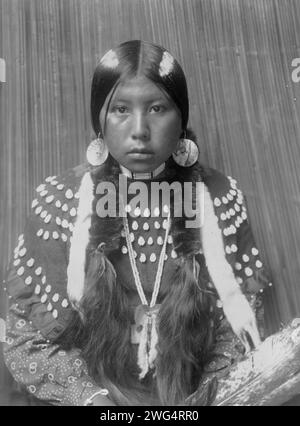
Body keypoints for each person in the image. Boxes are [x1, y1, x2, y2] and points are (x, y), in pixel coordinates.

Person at [2, 40, 270, 406]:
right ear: (100, 120)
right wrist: (93, 401)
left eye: (158, 108)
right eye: (121, 109)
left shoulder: (218, 199)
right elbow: (27, 338)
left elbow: (238, 335)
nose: (140, 129)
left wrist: (201, 402)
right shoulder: (59, 202)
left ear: (181, 118)